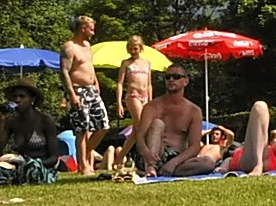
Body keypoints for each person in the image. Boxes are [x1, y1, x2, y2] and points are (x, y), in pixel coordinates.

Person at [137, 68, 220, 176]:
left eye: (176, 77)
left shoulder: (194, 111)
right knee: (157, 123)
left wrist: (174, 162)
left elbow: (195, 146)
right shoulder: (152, 106)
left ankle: (164, 171)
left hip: (178, 159)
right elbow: (140, 137)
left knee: (207, 163)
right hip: (152, 156)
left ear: (186, 81)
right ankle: (151, 168)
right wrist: (146, 153)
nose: (171, 80)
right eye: (167, 77)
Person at [60, 15, 109, 174]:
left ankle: (86, 153)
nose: (93, 33)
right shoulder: (69, 47)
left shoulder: (87, 46)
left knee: (103, 126)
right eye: (91, 30)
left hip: (91, 90)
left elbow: (89, 66)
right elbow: (64, 72)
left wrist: (96, 82)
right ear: (83, 28)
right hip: (77, 90)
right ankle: (83, 166)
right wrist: (71, 95)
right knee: (82, 129)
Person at [113, 35, 155, 172]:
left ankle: (120, 157)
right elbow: (120, 83)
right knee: (142, 126)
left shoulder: (147, 63)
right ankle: (146, 158)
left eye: (135, 48)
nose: (133, 51)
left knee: (137, 130)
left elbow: (149, 84)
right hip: (133, 96)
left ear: (140, 48)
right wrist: (119, 102)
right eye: (130, 49)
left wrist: (151, 101)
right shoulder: (126, 63)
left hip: (145, 96)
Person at [0, 85, 62, 165]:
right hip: (21, 166)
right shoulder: (12, 122)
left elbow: (54, 157)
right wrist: (2, 121)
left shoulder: (45, 120)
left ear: (32, 99)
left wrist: (34, 165)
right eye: (15, 97)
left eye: (22, 96)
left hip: (42, 166)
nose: (17, 100)